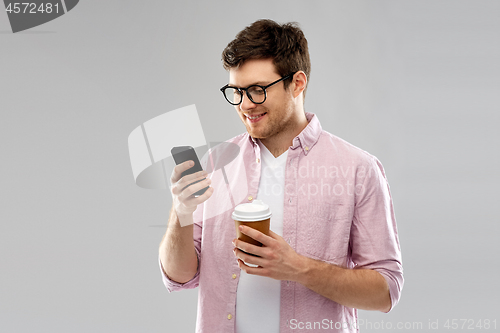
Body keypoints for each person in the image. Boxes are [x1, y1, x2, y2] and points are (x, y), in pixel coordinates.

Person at [159, 19, 403, 333]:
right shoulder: (216, 164)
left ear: (297, 83)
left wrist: (298, 268)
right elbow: (180, 277)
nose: (245, 105)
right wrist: (180, 212)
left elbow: (385, 291)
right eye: (237, 91)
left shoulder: (358, 169)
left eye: (258, 90)